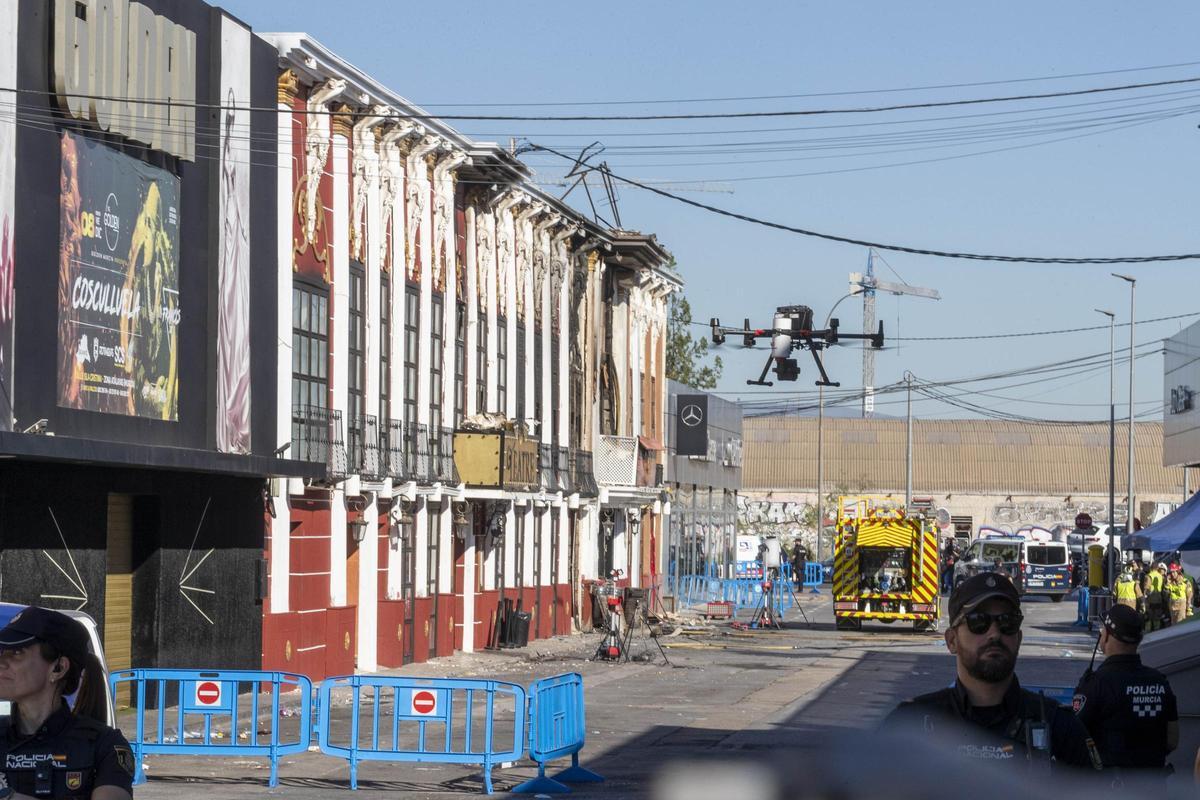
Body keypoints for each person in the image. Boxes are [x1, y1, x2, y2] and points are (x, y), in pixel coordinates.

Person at [880, 572, 1102, 774]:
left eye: (1007, 622)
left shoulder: (1059, 728)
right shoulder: (911, 724)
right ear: (951, 641)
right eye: (979, 622)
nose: (994, 633)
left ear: (1019, 638)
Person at [0, 607, 134, 799]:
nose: (1, 662)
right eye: (1, 651)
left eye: (16, 653)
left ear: (58, 668)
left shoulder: (105, 745)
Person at [1073, 605, 1178, 780]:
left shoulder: (1096, 684)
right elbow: (1173, 740)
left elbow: (1075, 737)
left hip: (1112, 788)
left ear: (1106, 636)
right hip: (1153, 787)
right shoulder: (1159, 682)